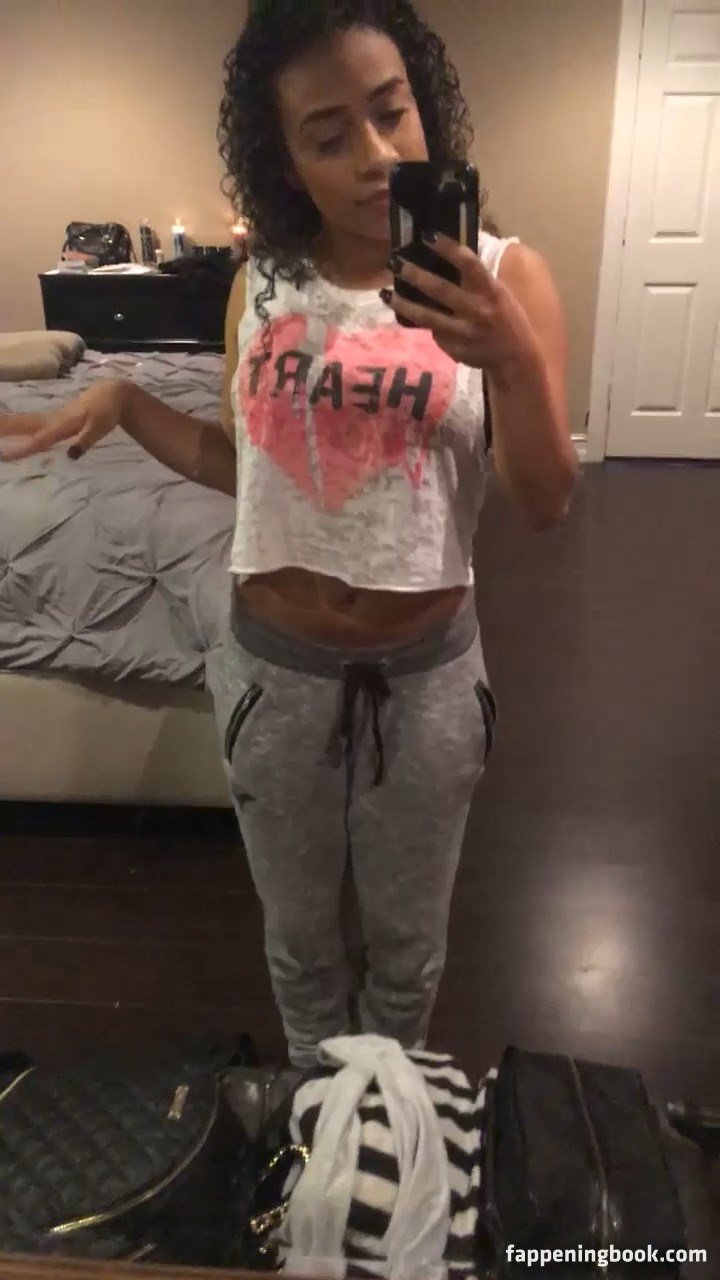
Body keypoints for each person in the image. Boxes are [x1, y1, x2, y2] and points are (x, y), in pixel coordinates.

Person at [0, 0, 577, 1068]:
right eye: (328, 135)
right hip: (274, 674)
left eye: (391, 112)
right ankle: (320, 1108)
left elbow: (544, 500)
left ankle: (386, 1114)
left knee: (407, 953)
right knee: (301, 949)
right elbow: (252, 471)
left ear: (424, 107)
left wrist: (511, 356)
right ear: (289, 164)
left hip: (427, 683)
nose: (376, 156)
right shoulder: (259, 284)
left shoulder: (508, 278)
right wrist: (124, 400)